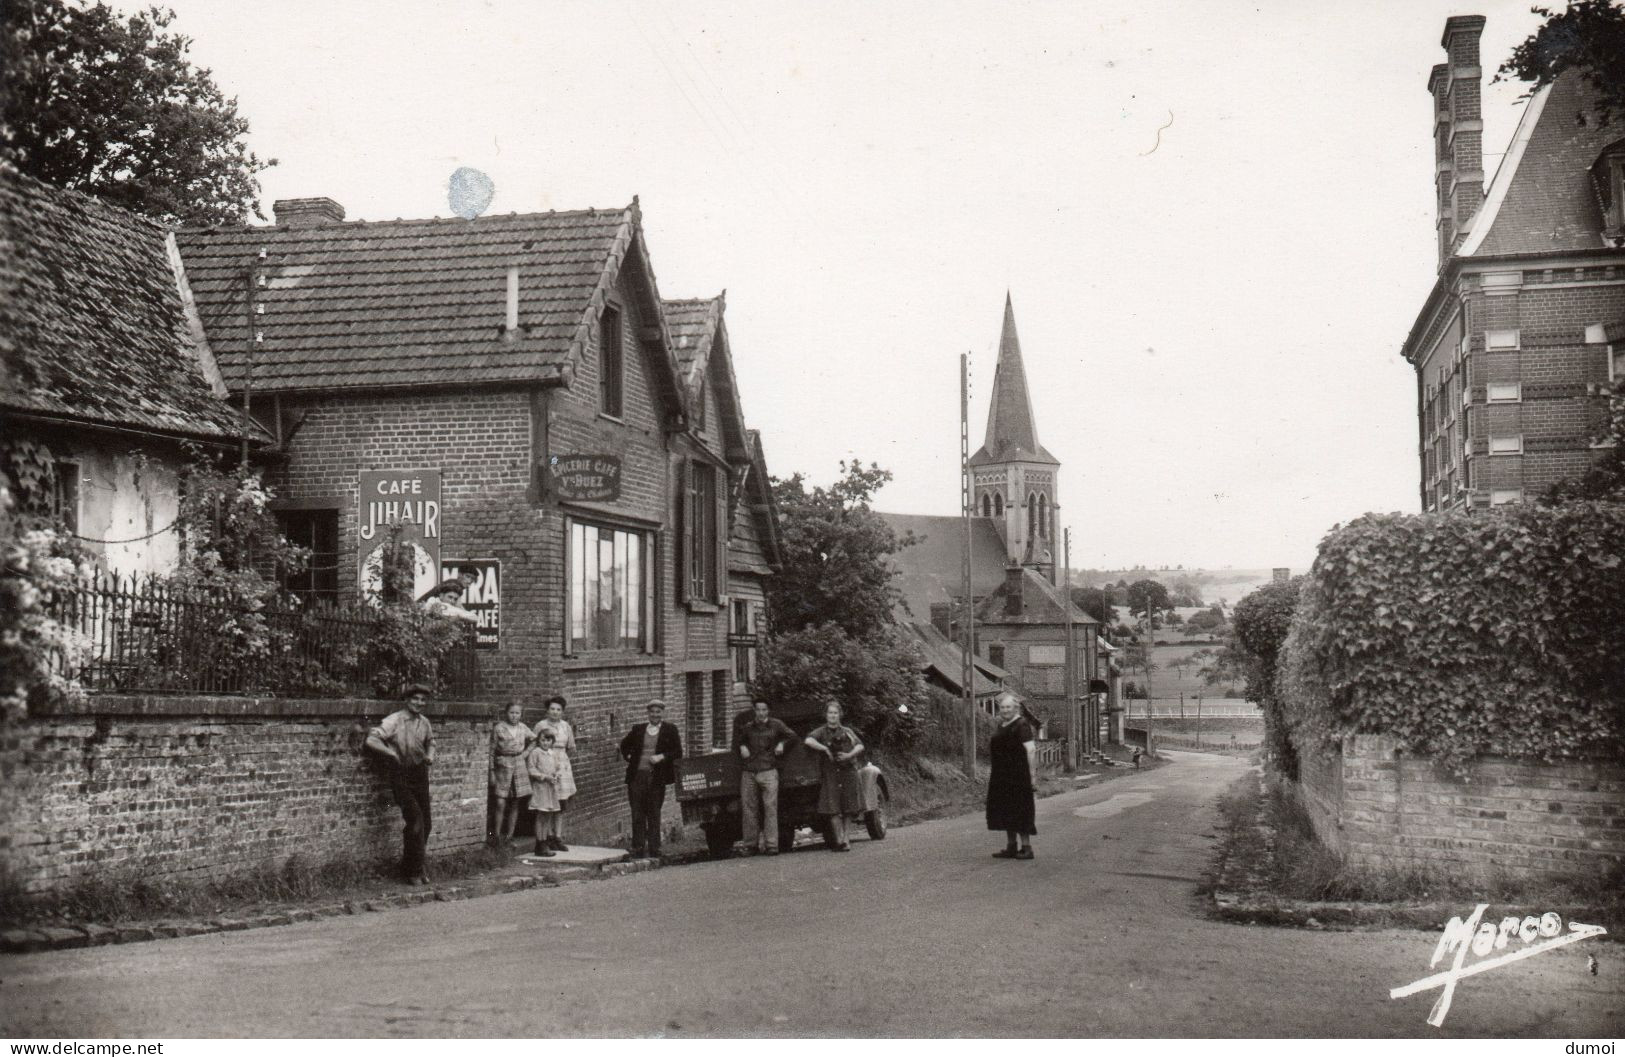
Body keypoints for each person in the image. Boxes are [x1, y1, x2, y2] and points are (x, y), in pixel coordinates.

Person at [365, 684, 436, 884]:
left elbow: (431, 742)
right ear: (407, 700)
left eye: (423, 700)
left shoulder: (424, 722)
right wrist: (391, 753)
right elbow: (372, 740)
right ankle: (414, 871)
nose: (419, 703)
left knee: (426, 823)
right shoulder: (394, 720)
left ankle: (411, 865)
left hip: (420, 774)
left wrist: (430, 756)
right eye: (415, 699)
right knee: (415, 820)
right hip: (401, 775)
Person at [618, 700, 683, 858]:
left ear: (663, 713)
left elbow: (677, 752)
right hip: (637, 776)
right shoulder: (639, 729)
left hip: (656, 777)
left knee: (654, 812)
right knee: (637, 812)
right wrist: (629, 757)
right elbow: (624, 745)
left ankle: (655, 848)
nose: (655, 715)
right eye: (652, 712)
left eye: (658, 712)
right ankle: (638, 847)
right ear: (648, 713)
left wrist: (661, 756)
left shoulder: (670, 730)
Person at [732, 699, 795, 855]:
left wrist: (782, 744)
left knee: (770, 808)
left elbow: (792, 736)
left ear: (768, 711)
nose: (761, 713)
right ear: (754, 710)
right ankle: (750, 845)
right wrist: (742, 746)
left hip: (769, 770)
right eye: (758, 710)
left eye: (764, 710)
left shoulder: (776, 725)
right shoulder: (747, 728)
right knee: (749, 809)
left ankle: (772, 845)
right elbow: (737, 742)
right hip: (750, 772)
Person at [804, 700, 864, 852]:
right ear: (826, 715)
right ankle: (839, 840)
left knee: (849, 807)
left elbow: (859, 745)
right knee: (833, 807)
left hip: (847, 771)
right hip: (830, 773)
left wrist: (849, 755)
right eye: (830, 713)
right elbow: (809, 740)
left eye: (835, 713)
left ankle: (846, 839)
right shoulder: (821, 732)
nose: (832, 716)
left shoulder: (847, 731)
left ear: (840, 715)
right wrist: (824, 748)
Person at [986, 691, 1038, 860]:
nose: (1005, 710)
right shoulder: (1002, 725)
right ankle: (1011, 847)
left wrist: (1032, 777)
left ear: (1016, 708)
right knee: (1007, 809)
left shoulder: (1022, 724)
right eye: (1002, 707)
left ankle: (1027, 848)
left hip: (1018, 776)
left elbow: (1030, 750)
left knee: (1020, 810)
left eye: (1008, 707)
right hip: (1002, 776)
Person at [532, 695, 577, 851]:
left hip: (562, 766)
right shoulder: (540, 725)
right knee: (547, 802)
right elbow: (534, 745)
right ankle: (547, 837)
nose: (555, 712)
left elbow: (571, 747)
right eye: (552, 709)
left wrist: (562, 764)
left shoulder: (566, 726)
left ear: (562, 712)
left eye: (558, 710)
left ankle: (557, 837)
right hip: (546, 766)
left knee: (560, 803)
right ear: (547, 710)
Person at [488, 701, 531, 845]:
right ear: (506, 713)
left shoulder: (523, 727)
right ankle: (496, 835)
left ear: (521, 714)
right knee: (500, 801)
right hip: (503, 765)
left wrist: (526, 753)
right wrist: (492, 771)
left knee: (515, 801)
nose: (514, 716)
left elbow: (536, 739)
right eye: (511, 712)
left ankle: (509, 835)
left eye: (517, 713)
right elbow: (491, 751)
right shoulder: (499, 728)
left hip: (519, 764)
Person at [527, 729, 576, 856]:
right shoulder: (535, 753)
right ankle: (539, 843)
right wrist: (543, 777)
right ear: (539, 740)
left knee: (548, 814)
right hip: (541, 787)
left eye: (548, 740)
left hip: (551, 789)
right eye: (543, 740)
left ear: (552, 742)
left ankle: (545, 842)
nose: (545, 743)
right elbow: (531, 769)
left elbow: (557, 768)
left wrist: (556, 776)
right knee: (541, 814)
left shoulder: (553, 754)